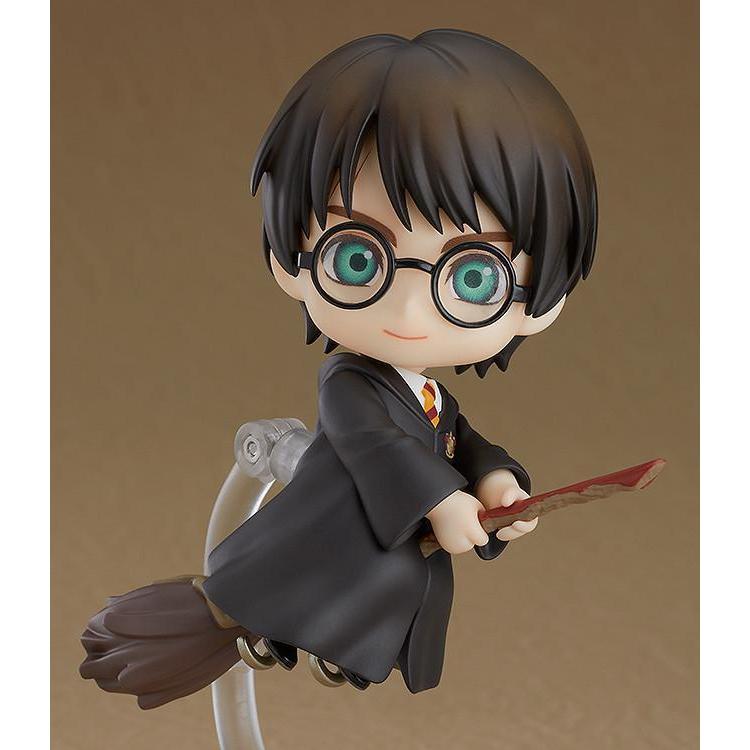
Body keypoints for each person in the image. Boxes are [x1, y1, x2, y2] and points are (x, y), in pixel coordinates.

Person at [80, 28, 597, 707]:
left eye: (472, 276)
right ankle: (280, 634)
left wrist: (496, 479)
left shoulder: (430, 397)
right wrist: (439, 500)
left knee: (388, 592)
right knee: (337, 587)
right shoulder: (350, 382)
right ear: (291, 258)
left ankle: (320, 643)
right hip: (334, 538)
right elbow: (376, 444)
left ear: (540, 301)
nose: (408, 308)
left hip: (383, 554)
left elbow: (460, 439)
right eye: (358, 258)